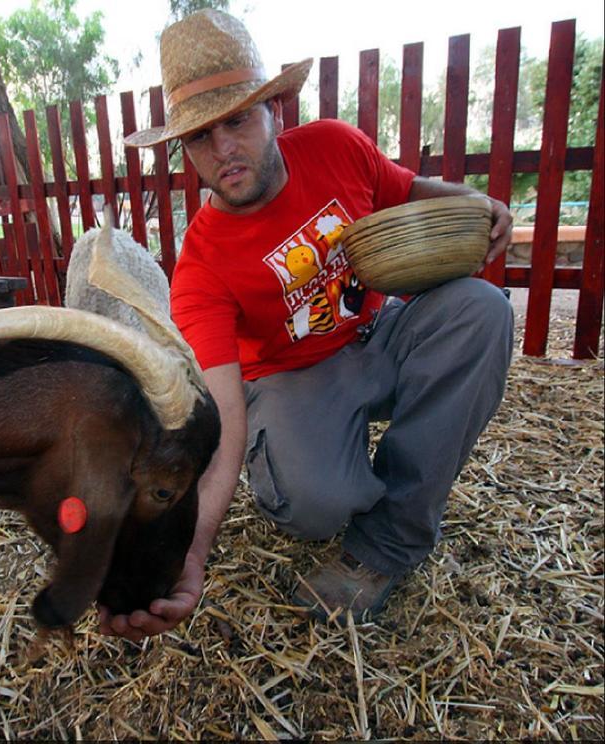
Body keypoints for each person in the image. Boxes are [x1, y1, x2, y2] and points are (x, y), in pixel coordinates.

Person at [99, 9, 514, 639]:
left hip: (381, 335)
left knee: (482, 310)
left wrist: (474, 202)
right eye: (200, 136)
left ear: (276, 114)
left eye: (237, 119)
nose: (223, 150)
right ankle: (359, 471)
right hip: (293, 381)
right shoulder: (202, 268)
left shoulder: (333, 147)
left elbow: (404, 188)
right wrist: (189, 558)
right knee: (316, 504)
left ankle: (390, 540)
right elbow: (225, 424)